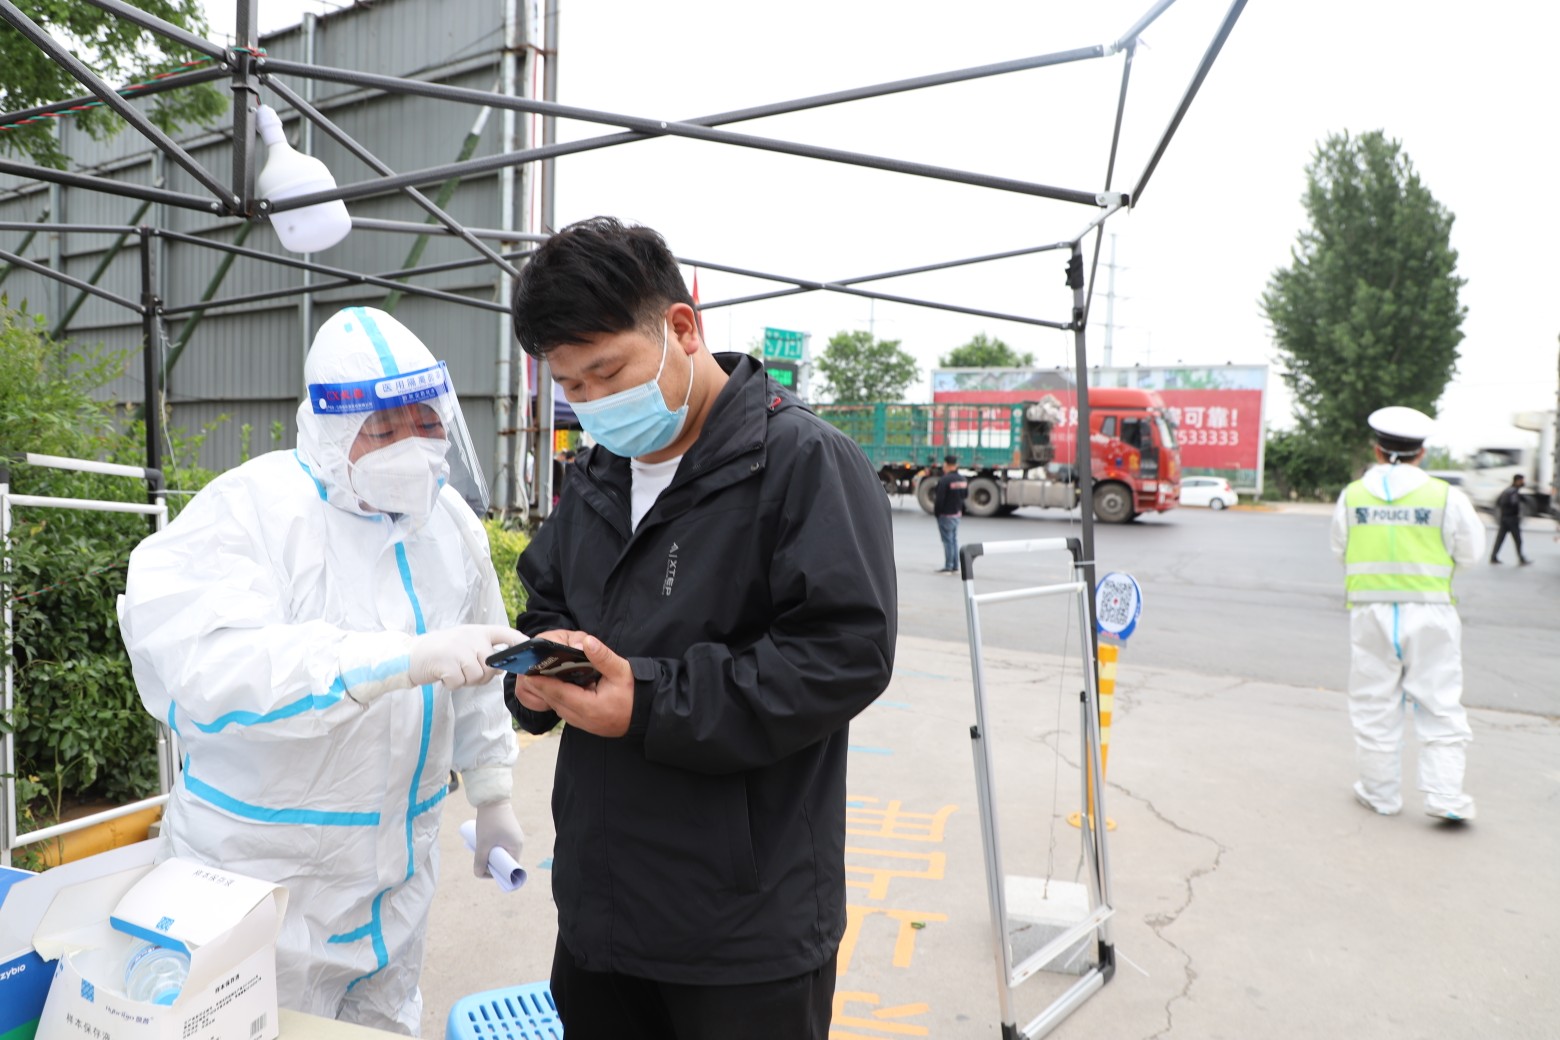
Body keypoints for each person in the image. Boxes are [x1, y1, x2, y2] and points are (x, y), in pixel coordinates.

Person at [506, 217, 897, 1039]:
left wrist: (649, 702)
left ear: (681, 327)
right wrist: (536, 680)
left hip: (743, 932)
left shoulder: (801, 461)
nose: (593, 403)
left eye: (607, 372)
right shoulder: (601, 473)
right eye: (571, 386)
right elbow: (547, 598)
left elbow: (844, 654)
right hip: (602, 910)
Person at [117, 306, 528, 1033]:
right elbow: (211, 669)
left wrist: (493, 793)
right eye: (384, 428)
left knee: (382, 1025)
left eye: (426, 422)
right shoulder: (253, 510)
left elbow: (478, 673)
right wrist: (396, 660)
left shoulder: (449, 525)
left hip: (395, 888)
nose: (414, 446)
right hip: (257, 882)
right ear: (334, 432)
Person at [1329, 406, 1485, 822]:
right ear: (1422, 452)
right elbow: (1470, 554)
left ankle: (1380, 795)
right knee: (1440, 703)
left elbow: (1339, 550)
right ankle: (1446, 797)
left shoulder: (1352, 495)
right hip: (1431, 611)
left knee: (1374, 703)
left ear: (1377, 450)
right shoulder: (1446, 496)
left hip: (1370, 613)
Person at [931, 454, 968, 573]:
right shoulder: (962, 479)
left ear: (946, 465)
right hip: (957, 514)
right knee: (954, 540)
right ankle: (955, 565)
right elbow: (965, 495)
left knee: (947, 541)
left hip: (946, 514)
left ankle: (948, 565)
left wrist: (937, 513)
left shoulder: (944, 480)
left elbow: (939, 499)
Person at [1489, 473, 1530, 565]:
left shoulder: (1507, 490)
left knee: (1500, 539)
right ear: (1517, 481)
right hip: (1512, 519)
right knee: (1518, 540)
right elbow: (1513, 503)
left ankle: (1493, 557)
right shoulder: (1513, 492)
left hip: (1504, 518)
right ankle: (1521, 559)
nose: (1523, 482)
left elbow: (1498, 502)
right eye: (1522, 481)